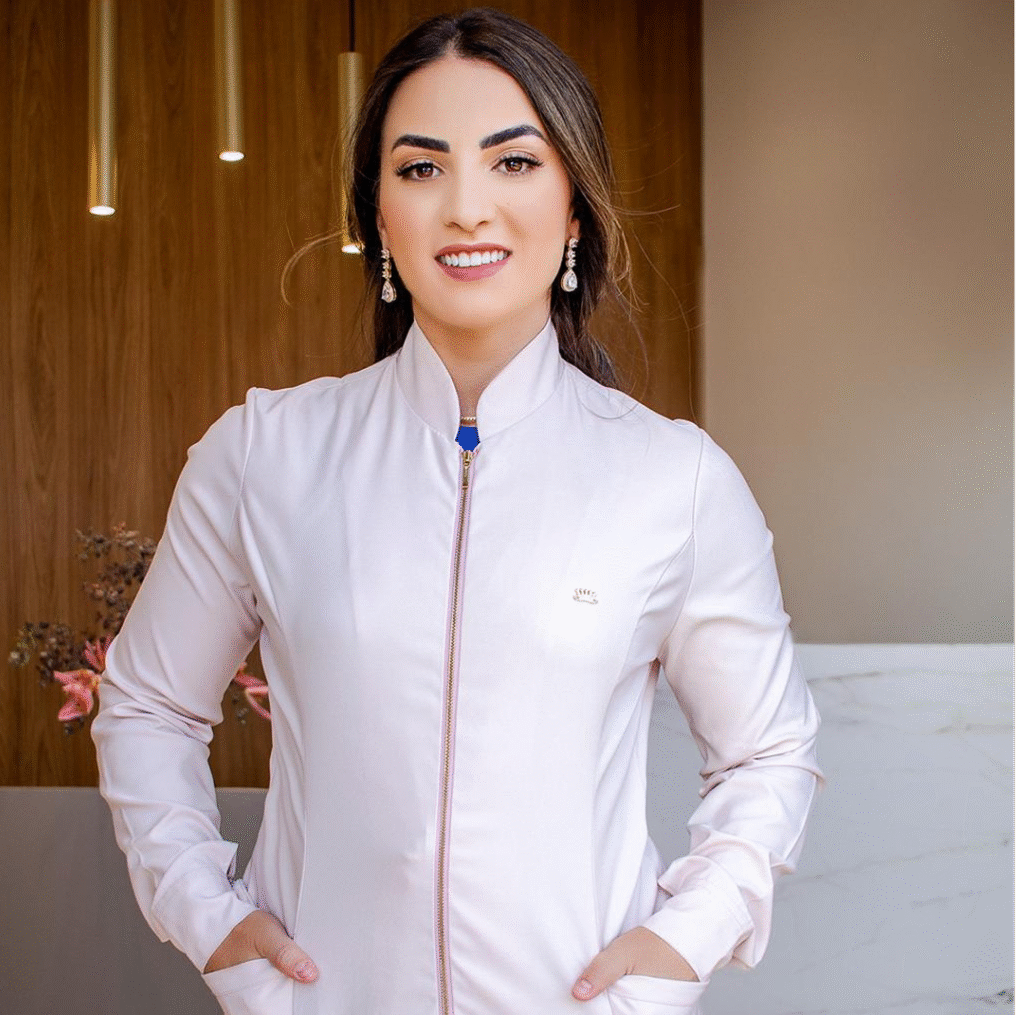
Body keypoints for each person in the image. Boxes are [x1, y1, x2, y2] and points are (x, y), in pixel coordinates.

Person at [90, 9, 822, 1015]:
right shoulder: (264, 456)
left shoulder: (674, 480)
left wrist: (678, 947)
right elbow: (147, 705)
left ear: (574, 209)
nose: (468, 207)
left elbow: (767, 752)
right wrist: (207, 919)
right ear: (378, 214)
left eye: (513, 162)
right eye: (421, 167)